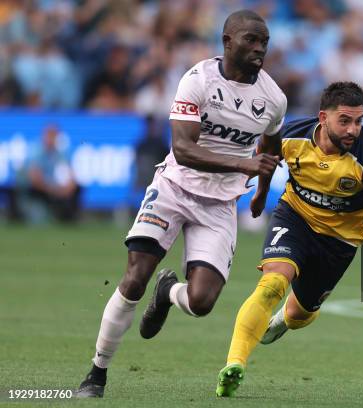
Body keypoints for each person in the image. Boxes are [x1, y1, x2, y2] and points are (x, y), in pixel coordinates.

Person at [76, 9, 287, 398]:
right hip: (174, 187)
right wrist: (245, 164)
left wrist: (259, 191)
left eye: (264, 43)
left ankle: (168, 294)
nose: (259, 49)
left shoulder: (273, 98)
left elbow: (271, 148)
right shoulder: (197, 80)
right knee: (135, 276)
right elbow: (184, 149)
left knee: (202, 301)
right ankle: (96, 373)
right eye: (251, 40)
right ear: (227, 42)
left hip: (220, 204)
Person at [216, 81, 363, 397]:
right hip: (294, 217)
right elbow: (267, 154)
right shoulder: (293, 134)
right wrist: (262, 192)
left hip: (339, 242)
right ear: (323, 117)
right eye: (345, 121)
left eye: (359, 121)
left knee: (299, 314)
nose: (353, 129)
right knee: (272, 284)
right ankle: (234, 364)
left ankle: (282, 320)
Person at [16, 124, 80, 223]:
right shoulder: (36, 150)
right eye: (50, 135)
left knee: (77, 190)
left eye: (54, 136)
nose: (52, 139)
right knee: (40, 221)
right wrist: (55, 191)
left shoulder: (61, 152)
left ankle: (68, 217)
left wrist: (67, 188)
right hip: (35, 193)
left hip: (51, 190)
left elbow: (71, 175)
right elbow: (35, 179)